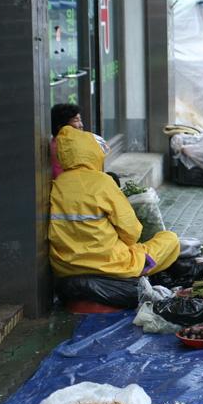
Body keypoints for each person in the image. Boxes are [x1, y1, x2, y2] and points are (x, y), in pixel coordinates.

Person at [49, 126, 180, 280]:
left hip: (65, 267)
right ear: (93, 152)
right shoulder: (103, 182)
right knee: (170, 239)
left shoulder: (57, 184)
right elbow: (132, 233)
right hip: (111, 266)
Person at [50, 103, 83, 179]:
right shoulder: (62, 147)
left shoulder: (57, 142)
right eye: (76, 120)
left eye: (80, 120)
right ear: (61, 126)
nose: (81, 125)